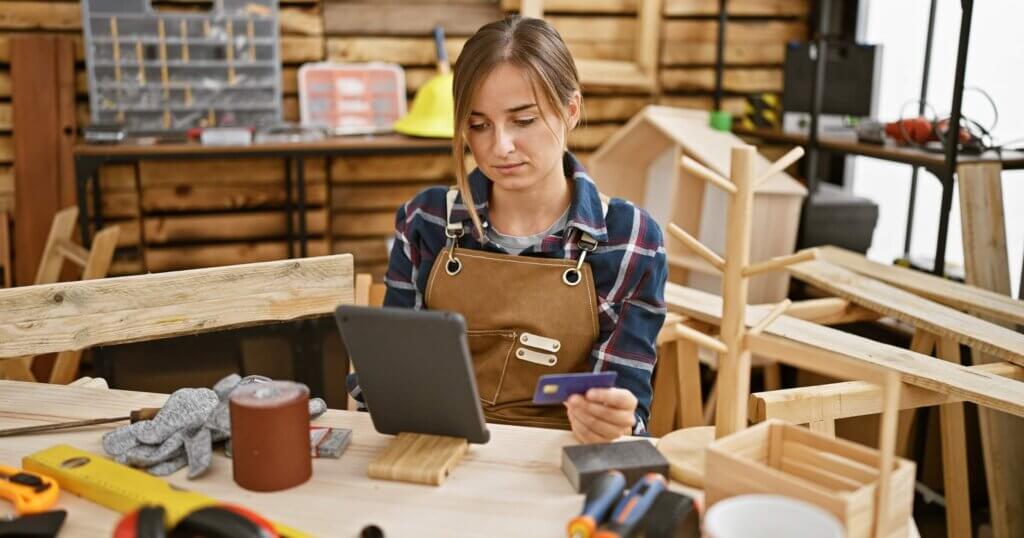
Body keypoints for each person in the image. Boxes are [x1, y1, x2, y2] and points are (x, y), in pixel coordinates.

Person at [350, 15, 667, 443]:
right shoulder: (426, 221)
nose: (499, 146)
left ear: (571, 110)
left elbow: (624, 401)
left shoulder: (630, 239)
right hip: (440, 452)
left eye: (523, 120)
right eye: (478, 125)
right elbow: (388, 381)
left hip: (558, 464)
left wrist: (615, 417)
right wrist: (375, 386)